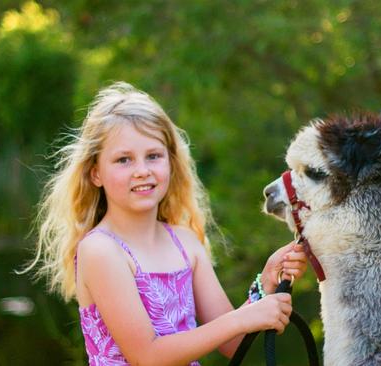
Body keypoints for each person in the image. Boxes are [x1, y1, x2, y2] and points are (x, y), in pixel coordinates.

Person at [26, 81, 308, 365]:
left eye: (153, 156)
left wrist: (267, 284)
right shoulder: (101, 250)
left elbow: (233, 344)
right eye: (124, 160)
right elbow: (147, 356)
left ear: (171, 162)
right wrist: (243, 319)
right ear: (95, 173)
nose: (142, 171)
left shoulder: (185, 243)